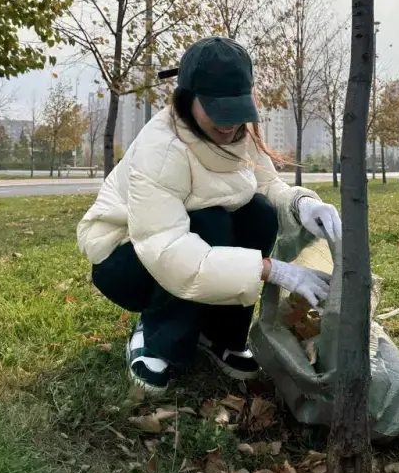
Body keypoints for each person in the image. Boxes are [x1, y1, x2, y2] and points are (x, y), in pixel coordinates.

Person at [77, 37, 341, 395]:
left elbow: (267, 185)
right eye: (218, 109)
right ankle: (156, 339)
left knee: (259, 213)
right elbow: (167, 248)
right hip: (127, 256)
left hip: (187, 238)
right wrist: (272, 270)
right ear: (188, 98)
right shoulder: (161, 148)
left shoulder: (240, 134)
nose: (229, 125)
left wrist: (302, 205)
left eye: (238, 109)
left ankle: (220, 336)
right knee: (209, 222)